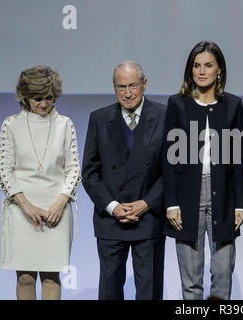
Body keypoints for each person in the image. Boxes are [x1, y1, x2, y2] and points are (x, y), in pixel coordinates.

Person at [163, 41, 243, 300]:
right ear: (190, 70)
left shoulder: (233, 104)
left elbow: (237, 158)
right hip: (187, 197)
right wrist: (171, 203)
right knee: (191, 279)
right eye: (196, 66)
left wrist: (240, 204)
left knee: (223, 274)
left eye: (208, 65)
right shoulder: (177, 103)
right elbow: (168, 160)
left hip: (223, 196)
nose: (201, 71)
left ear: (218, 69)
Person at [81, 61, 166, 300]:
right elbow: (90, 172)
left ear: (144, 84)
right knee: (109, 290)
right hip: (110, 220)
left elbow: (171, 170)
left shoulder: (165, 115)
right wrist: (113, 207)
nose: (127, 93)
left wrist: (146, 203)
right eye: (121, 87)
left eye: (132, 86)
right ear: (113, 87)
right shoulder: (99, 118)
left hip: (148, 218)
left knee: (149, 291)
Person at [0, 65, 80, 300]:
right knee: (25, 277)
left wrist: (60, 203)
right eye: (37, 98)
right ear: (25, 97)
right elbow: (4, 171)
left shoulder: (65, 124)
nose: (44, 104)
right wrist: (26, 206)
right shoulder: (11, 125)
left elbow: (74, 169)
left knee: (51, 277)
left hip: (57, 211)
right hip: (21, 211)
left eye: (49, 98)